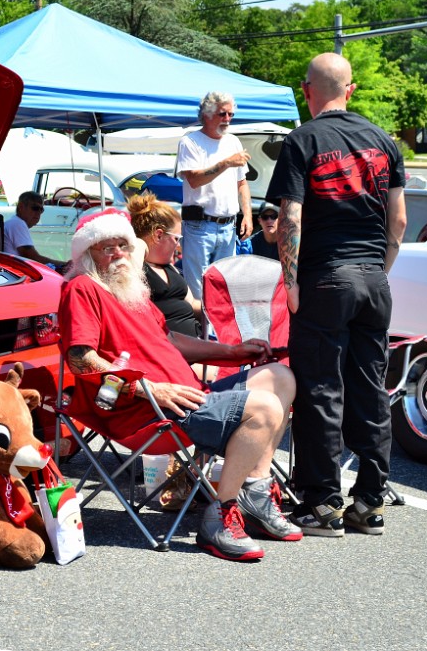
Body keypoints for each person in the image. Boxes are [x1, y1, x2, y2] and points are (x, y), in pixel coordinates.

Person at [59, 208, 299, 561]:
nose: (117, 255)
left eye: (122, 246)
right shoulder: (83, 289)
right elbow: (80, 358)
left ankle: (256, 490)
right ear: (86, 255)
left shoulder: (131, 293)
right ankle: (219, 517)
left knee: (282, 376)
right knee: (263, 408)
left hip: (186, 398)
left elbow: (170, 341)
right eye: (104, 248)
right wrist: (150, 389)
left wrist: (232, 352)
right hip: (147, 412)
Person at [266, 52, 407, 537]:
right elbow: (400, 221)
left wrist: (291, 285)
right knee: (370, 389)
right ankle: (369, 502)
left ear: (307, 91)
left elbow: (289, 218)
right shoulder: (385, 142)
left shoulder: (302, 139)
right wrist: (378, 270)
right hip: (372, 278)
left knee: (322, 389)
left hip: (325, 277)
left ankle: (322, 504)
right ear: (350, 91)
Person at [176, 92, 253, 300]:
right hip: (199, 226)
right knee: (199, 293)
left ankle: (218, 334)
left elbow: (242, 183)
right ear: (207, 114)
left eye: (231, 114)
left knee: (225, 290)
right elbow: (194, 180)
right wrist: (225, 163)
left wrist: (248, 214)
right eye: (222, 114)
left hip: (229, 226)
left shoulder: (233, 142)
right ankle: (201, 333)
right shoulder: (190, 142)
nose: (228, 119)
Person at [126, 192, 202, 337]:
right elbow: (134, 255)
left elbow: (192, 304)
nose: (179, 246)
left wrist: (217, 308)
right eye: (176, 238)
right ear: (158, 235)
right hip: (166, 348)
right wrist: (142, 242)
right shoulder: (135, 265)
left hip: (195, 341)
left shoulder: (169, 267)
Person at [2, 191, 71, 272]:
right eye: (35, 208)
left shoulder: (13, 223)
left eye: (41, 210)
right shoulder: (17, 223)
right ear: (21, 207)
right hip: (15, 274)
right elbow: (33, 258)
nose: (38, 213)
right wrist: (65, 265)